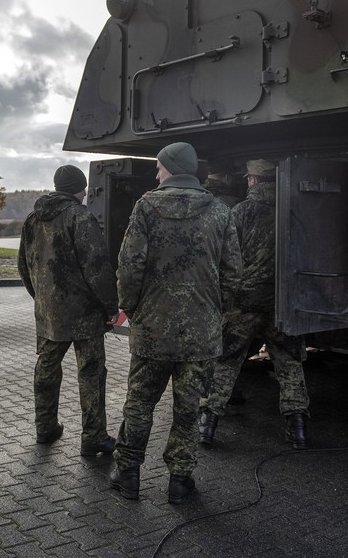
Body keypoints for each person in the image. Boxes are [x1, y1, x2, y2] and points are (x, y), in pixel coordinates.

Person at [111, 142, 241, 504]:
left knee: (139, 403)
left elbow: (129, 267)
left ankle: (128, 474)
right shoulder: (220, 212)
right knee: (187, 410)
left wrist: (132, 310)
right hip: (201, 333)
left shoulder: (146, 208)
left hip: (152, 329)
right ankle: (180, 482)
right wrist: (217, 314)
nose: (155, 173)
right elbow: (233, 274)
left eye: (158, 166)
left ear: (170, 167)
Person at [199, 159, 310, 449]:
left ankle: (208, 425)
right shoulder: (293, 212)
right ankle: (297, 429)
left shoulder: (240, 212)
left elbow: (226, 258)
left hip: (243, 303)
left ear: (252, 181)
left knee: (226, 362)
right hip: (282, 305)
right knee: (289, 364)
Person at [18, 165, 119, 455]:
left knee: (47, 369)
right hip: (85, 315)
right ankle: (94, 436)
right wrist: (110, 307)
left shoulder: (32, 219)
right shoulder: (80, 217)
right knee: (91, 372)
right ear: (81, 188)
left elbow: (24, 265)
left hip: (49, 314)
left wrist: (41, 298)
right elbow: (97, 268)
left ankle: (45, 428)